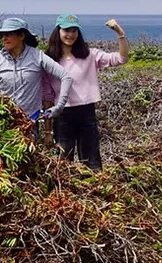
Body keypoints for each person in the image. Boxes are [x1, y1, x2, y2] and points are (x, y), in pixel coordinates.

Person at [42, 15, 129, 171]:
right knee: (62, 163)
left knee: (92, 163)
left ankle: (94, 193)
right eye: (66, 30)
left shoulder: (90, 54)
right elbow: (47, 97)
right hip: (62, 115)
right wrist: (47, 130)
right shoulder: (49, 60)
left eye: (74, 30)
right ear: (58, 31)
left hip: (86, 112)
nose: (71, 34)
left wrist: (120, 34)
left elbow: (121, 59)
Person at [0, 18, 74, 123]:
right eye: (3, 35)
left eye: (9, 34)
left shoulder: (38, 56)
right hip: (4, 120)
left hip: (31, 121)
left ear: (22, 36)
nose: (4, 38)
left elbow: (65, 76)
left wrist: (60, 106)